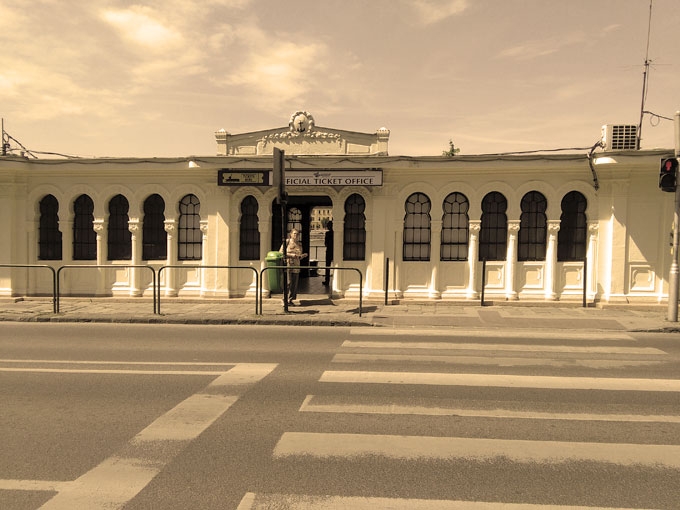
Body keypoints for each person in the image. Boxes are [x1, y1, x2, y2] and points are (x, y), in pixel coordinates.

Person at [279, 228, 307, 305]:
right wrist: (291, 255)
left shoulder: (299, 244)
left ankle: (290, 299)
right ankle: (284, 299)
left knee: (294, 284)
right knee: (288, 282)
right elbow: (281, 253)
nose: (296, 235)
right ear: (291, 234)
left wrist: (302, 256)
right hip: (288, 265)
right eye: (294, 233)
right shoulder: (287, 242)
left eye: (297, 234)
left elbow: (299, 255)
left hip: (296, 266)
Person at [322, 221, 333, 286]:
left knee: (327, 267)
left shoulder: (327, 233)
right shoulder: (335, 233)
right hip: (335, 251)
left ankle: (327, 281)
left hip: (329, 251)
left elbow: (325, 243)